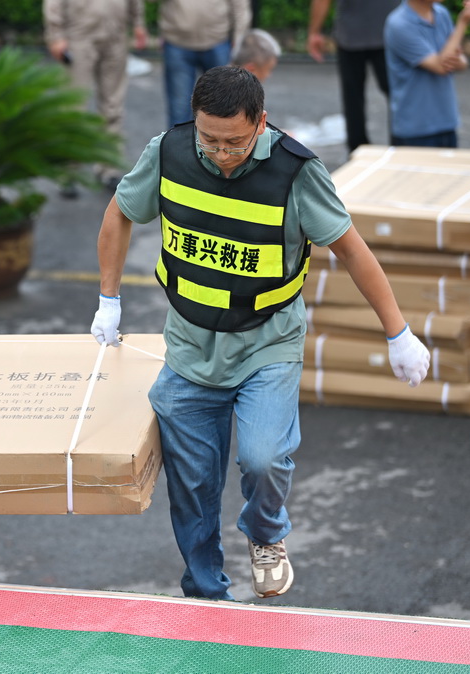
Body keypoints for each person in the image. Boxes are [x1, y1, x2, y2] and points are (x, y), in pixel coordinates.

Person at [89, 66, 430, 600]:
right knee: (194, 487)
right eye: (210, 139)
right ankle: (205, 591)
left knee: (264, 457)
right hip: (189, 345)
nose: (220, 154)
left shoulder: (297, 173)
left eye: (235, 142)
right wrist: (109, 298)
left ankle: (266, 535)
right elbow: (119, 213)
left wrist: (398, 333)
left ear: (262, 123)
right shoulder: (168, 152)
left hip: (266, 344)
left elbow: (352, 251)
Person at [43, 0, 146, 193]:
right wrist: (56, 35)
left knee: (113, 107)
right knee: (73, 107)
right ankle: (68, 172)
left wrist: (138, 22)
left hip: (115, 36)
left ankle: (109, 168)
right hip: (79, 37)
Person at [307, 0, 400, 155]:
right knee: (398, 94)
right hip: (390, 29)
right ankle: (401, 146)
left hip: (351, 32)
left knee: (353, 96)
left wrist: (314, 32)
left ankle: (358, 150)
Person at [141, 0, 251, 128]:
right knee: (179, 109)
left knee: (223, 108)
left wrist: (239, 39)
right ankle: (178, 147)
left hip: (218, 41)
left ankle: (221, 147)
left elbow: (240, 4)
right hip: (177, 42)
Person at [384, 0, 470, 148]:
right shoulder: (399, 23)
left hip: (447, 122)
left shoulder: (441, 13)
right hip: (416, 129)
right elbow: (441, 66)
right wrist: (463, 22)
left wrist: (455, 59)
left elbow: (461, 61)